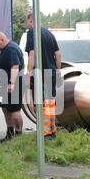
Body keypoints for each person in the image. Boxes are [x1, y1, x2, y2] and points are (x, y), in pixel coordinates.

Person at [25, 13, 62, 141]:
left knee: (40, 103)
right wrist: (57, 70)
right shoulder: (49, 33)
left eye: (27, 22)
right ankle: (51, 130)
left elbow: (32, 53)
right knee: (50, 102)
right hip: (50, 73)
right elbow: (58, 54)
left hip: (39, 74)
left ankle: (45, 133)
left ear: (31, 21)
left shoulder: (31, 33)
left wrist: (29, 72)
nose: (27, 24)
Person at [0, 32, 25, 143]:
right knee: (6, 109)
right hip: (5, 86)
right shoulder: (6, 49)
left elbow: (15, 66)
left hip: (13, 86)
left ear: (2, 39)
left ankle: (19, 137)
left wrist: (12, 83)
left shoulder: (11, 49)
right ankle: (10, 135)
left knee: (14, 111)